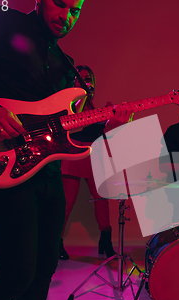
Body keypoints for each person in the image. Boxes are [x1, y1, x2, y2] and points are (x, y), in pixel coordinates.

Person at [0, 1, 131, 300]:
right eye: (60, 4)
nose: (67, 16)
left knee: (44, 269)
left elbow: (69, 134)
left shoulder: (67, 66)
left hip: (48, 174)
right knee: (15, 273)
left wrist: (108, 123)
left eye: (76, 10)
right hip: (5, 165)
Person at [59, 65, 117, 260]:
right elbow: (75, 119)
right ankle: (56, 243)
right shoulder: (71, 102)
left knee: (102, 200)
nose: (85, 81)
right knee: (66, 202)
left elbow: (103, 133)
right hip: (74, 153)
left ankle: (106, 240)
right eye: (81, 78)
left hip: (94, 154)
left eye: (88, 78)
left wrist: (110, 119)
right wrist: (83, 96)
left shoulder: (93, 106)